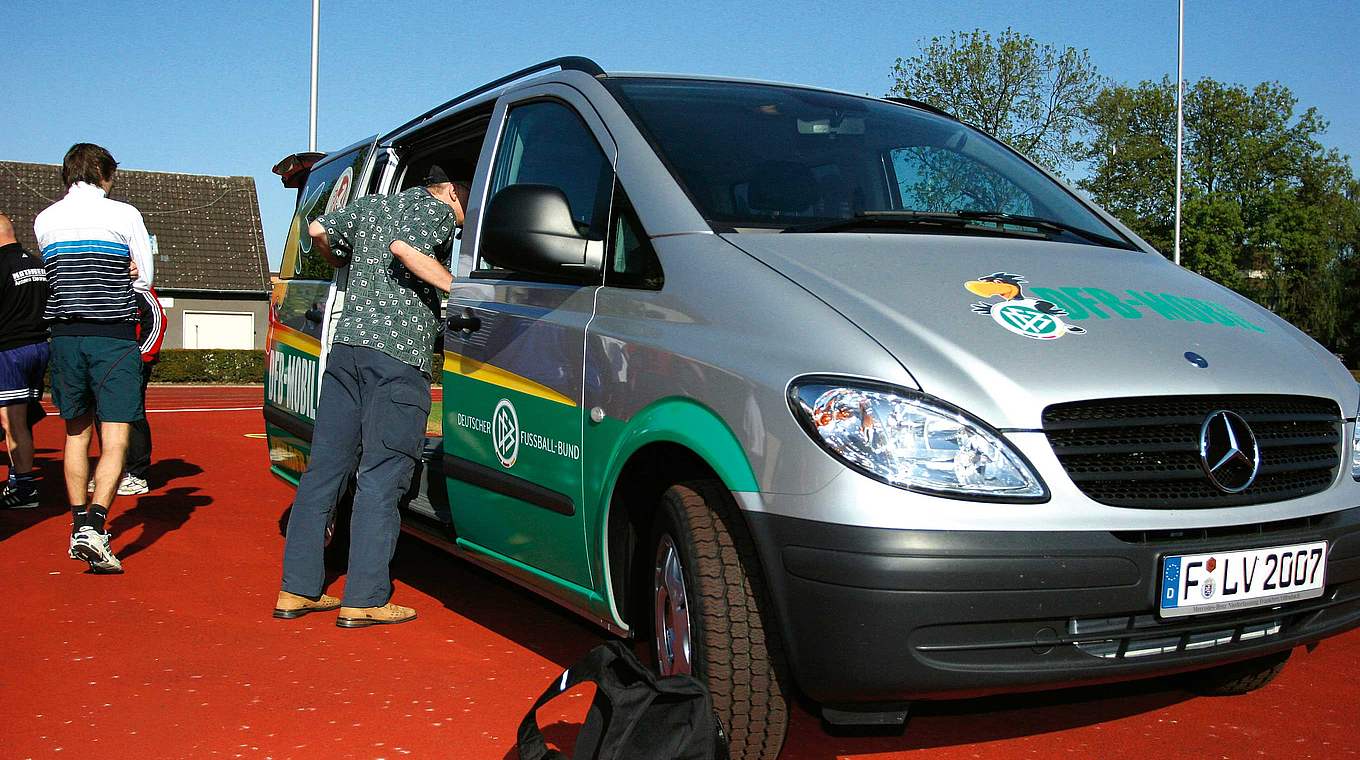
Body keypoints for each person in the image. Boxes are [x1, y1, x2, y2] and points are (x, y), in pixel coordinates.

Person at [274, 167, 465, 627]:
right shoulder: (435, 209)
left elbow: (318, 230)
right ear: (452, 192)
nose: (465, 218)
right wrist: (462, 292)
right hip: (396, 357)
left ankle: (296, 590)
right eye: (467, 204)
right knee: (382, 474)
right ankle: (365, 597)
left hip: (347, 350)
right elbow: (405, 249)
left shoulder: (374, 205)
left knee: (324, 472)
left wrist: (337, 258)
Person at [34, 143, 154, 573]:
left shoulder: (45, 219)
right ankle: (97, 527)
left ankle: (77, 524)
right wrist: (127, 270)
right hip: (113, 337)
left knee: (76, 434)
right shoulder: (125, 214)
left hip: (65, 336)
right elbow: (145, 279)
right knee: (116, 435)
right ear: (105, 174)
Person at [0, 212, 50, 509]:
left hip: (10, 350)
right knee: (22, 417)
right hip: (38, 347)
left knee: (12, 420)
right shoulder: (37, 264)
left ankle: (24, 486)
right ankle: (19, 478)